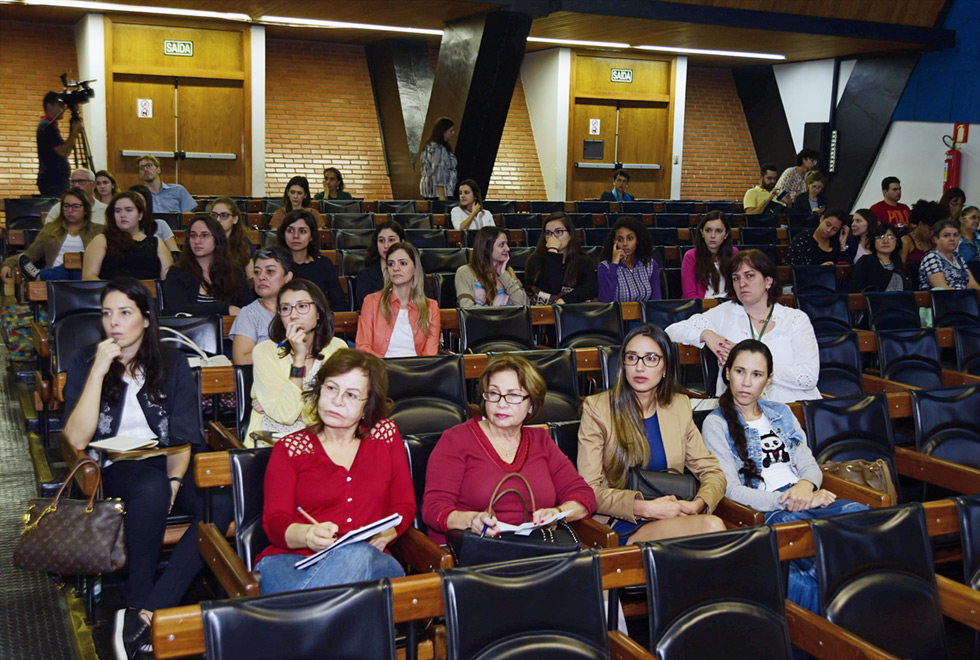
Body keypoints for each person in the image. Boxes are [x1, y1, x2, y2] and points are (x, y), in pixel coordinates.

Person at [61, 277, 231, 659]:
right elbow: (74, 439)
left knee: (220, 504)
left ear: (146, 318)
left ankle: (147, 610)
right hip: (115, 466)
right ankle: (141, 603)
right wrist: (98, 372)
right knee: (150, 489)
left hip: (171, 460)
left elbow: (183, 434)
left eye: (125, 313)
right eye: (107, 314)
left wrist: (174, 479)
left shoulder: (170, 362)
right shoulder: (85, 360)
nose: (114, 323)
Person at [701, 339, 867, 612]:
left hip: (803, 497)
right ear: (727, 372)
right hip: (767, 509)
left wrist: (805, 487)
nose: (746, 382)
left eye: (757, 374)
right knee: (817, 554)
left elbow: (810, 466)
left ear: (769, 380)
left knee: (865, 517)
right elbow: (730, 489)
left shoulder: (782, 413)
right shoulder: (716, 423)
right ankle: (825, 634)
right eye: (740, 371)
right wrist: (787, 500)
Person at [255, 348, 414, 594]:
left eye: (351, 395)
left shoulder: (385, 436)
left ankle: (290, 623)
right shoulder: (290, 449)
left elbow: (404, 504)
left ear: (367, 406)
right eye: (331, 388)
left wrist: (388, 533)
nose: (337, 400)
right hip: (292, 561)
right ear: (319, 389)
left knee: (358, 555)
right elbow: (276, 523)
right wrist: (308, 535)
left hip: (372, 560)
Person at [422, 354, 596, 544]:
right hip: (477, 551)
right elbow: (433, 510)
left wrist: (557, 514)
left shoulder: (541, 442)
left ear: (531, 405)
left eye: (513, 395)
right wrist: (472, 520)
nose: (501, 403)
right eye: (494, 394)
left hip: (537, 548)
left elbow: (584, 496)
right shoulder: (456, 440)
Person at [577, 323, 726, 545]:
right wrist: (645, 507)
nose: (639, 367)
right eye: (632, 357)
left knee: (710, 532)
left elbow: (712, 472)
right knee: (711, 527)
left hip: (674, 514)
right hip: (623, 521)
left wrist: (698, 504)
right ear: (623, 364)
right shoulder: (598, 408)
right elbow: (588, 489)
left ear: (665, 367)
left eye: (651, 358)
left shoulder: (678, 406)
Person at [666, 249, 821, 402]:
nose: (742, 284)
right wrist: (706, 335)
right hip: (739, 411)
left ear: (768, 281)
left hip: (794, 407)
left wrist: (755, 368)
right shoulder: (723, 314)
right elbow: (671, 331)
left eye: (749, 276)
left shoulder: (795, 319)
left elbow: (808, 377)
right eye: (736, 278)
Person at [247, 279, 347, 440]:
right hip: (273, 440)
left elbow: (343, 409)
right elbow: (285, 415)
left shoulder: (337, 348)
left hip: (326, 438)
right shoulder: (265, 351)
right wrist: (299, 358)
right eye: (286, 308)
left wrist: (300, 415)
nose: (293, 315)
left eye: (302, 306)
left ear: (318, 312)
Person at [356, 242, 440, 358]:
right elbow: (363, 347)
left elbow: (430, 356)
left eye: (403, 263)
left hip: (418, 372)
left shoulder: (431, 307)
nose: (396, 268)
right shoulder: (371, 302)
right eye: (391, 264)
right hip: (381, 370)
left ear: (415, 268)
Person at [2, 187, 103, 283]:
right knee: (65, 266)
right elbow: (31, 254)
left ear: (85, 210)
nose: (70, 210)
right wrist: (8, 264)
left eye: (76, 206)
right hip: (56, 280)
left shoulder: (98, 230)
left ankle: (39, 275)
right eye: (66, 206)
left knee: (76, 261)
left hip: (84, 277)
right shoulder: (51, 229)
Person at [163, 216, 253, 316]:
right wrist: (225, 309)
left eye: (204, 235)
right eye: (193, 235)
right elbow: (179, 309)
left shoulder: (234, 272)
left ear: (218, 239)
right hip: (188, 330)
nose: (197, 241)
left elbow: (248, 306)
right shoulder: (177, 273)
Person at [82, 191, 173, 281]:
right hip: (111, 293)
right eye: (118, 211)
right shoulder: (102, 240)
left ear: (140, 215)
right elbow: (89, 277)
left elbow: (168, 280)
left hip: (148, 294)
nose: (123, 215)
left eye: (128, 210)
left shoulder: (156, 243)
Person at [229, 247, 293, 365]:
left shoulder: (301, 309)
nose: (261, 277)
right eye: (257, 272)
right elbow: (242, 359)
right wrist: (288, 352)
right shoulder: (249, 313)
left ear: (288, 277)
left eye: (270, 271)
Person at [524, 211, 597, 304]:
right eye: (548, 233)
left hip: (573, 313)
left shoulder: (583, 261)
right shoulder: (536, 261)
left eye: (558, 232)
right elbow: (552, 288)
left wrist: (564, 300)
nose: (553, 237)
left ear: (570, 235)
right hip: (544, 313)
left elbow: (590, 289)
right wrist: (553, 251)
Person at [278, 209, 345, 311]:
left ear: (311, 237)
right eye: (290, 230)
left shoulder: (324, 265)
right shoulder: (276, 266)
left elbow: (340, 303)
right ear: (284, 235)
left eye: (302, 231)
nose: (296, 236)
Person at [455, 226, 527, 307]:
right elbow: (467, 309)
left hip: (510, 319)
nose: (507, 249)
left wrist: (503, 275)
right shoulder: (465, 272)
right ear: (486, 248)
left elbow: (523, 305)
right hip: (481, 319)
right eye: (501, 244)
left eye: (507, 244)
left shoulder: (508, 272)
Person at [597, 216, 662, 302]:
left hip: (646, 314)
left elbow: (657, 300)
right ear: (614, 242)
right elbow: (604, 301)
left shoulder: (649, 264)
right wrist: (614, 265)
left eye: (630, 238)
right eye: (620, 239)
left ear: (637, 240)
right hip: (617, 315)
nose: (625, 244)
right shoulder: (605, 267)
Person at [681, 210, 737, 299]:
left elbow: (736, 289)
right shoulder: (690, 256)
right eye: (708, 230)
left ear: (726, 234)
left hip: (727, 307)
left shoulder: (733, 253)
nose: (713, 236)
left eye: (718, 231)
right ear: (702, 233)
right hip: (700, 308)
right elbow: (690, 295)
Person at [36, 91, 82, 197]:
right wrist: (75, 132)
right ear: (49, 105)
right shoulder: (47, 126)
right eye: (60, 105)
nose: (63, 109)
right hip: (53, 181)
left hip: (54, 180)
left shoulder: (47, 125)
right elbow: (63, 151)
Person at [354, 220, 406, 310]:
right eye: (381, 240)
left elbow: (425, 302)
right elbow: (365, 309)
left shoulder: (414, 271)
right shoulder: (364, 276)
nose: (386, 245)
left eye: (391, 240)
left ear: (402, 242)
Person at [919, 219, 980, 291]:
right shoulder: (932, 257)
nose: (952, 239)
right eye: (946, 235)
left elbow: (973, 285)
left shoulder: (958, 258)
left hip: (965, 299)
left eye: (956, 235)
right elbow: (943, 289)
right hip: (944, 300)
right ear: (936, 239)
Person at [848, 223, 909, 293]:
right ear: (874, 241)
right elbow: (856, 290)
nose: (885, 241)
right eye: (880, 237)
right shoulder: (865, 262)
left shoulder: (897, 261)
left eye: (890, 237)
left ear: (896, 241)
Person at [207, 197, 254, 276]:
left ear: (235, 219)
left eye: (224, 215)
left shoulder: (243, 244)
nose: (218, 220)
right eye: (214, 215)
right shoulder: (204, 241)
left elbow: (251, 276)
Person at [900, 199, 943, 285]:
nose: (932, 233)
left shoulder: (933, 241)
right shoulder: (906, 241)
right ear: (920, 224)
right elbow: (900, 270)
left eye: (935, 230)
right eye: (930, 229)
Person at [127, 184, 179, 252]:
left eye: (140, 201)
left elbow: (174, 252)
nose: (136, 205)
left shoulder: (160, 225)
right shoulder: (123, 228)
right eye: (132, 201)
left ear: (147, 204)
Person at [419, 117, 457, 200]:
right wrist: (442, 196)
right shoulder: (439, 149)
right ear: (443, 132)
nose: (453, 133)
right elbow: (439, 173)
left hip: (428, 191)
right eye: (450, 131)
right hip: (437, 194)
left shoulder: (428, 146)